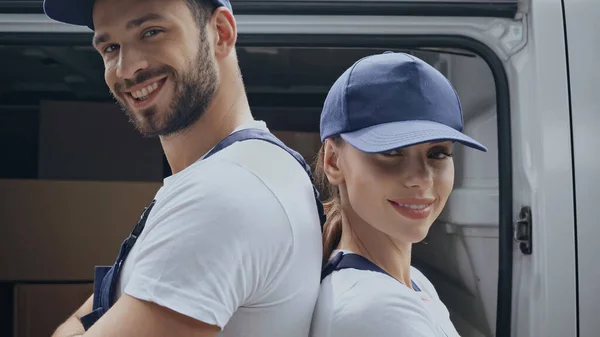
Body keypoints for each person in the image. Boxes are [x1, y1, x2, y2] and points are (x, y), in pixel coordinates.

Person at [43, 0, 324, 336]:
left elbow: (77, 325)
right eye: (111, 47)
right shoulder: (247, 169)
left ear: (221, 33)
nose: (126, 69)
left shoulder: (225, 193)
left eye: (151, 32)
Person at [309, 51, 488, 337]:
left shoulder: (412, 283)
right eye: (391, 152)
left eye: (437, 153)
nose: (421, 178)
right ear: (333, 161)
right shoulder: (378, 310)